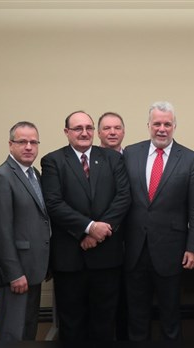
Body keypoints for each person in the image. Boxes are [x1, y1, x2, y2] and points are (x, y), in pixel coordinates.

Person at [40, 111, 130, 341]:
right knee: (72, 324)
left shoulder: (113, 158)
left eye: (88, 128)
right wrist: (89, 227)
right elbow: (54, 202)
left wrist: (99, 233)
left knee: (104, 322)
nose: (84, 133)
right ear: (66, 132)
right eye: (78, 128)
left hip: (106, 258)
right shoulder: (53, 161)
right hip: (71, 257)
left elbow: (123, 198)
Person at [123, 101, 194, 340]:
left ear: (174, 126)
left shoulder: (189, 159)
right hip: (135, 249)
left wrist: (193, 247)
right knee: (136, 315)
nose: (162, 129)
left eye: (167, 124)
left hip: (171, 250)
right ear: (148, 125)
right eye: (157, 123)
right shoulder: (130, 153)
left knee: (170, 316)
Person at [0, 121, 50, 340]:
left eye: (33, 142)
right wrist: (14, 273)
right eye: (22, 142)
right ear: (10, 144)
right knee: (13, 333)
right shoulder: (1, 177)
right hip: (15, 274)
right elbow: (0, 232)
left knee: (28, 329)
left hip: (33, 269)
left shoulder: (35, 174)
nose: (29, 147)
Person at [96, 111, 128, 340]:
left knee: (128, 303)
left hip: (132, 242)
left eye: (117, 128)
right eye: (107, 128)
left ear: (123, 131)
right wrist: (96, 231)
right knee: (101, 307)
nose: (112, 132)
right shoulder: (88, 160)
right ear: (99, 133)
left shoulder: (134, 157)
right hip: (98, 242)